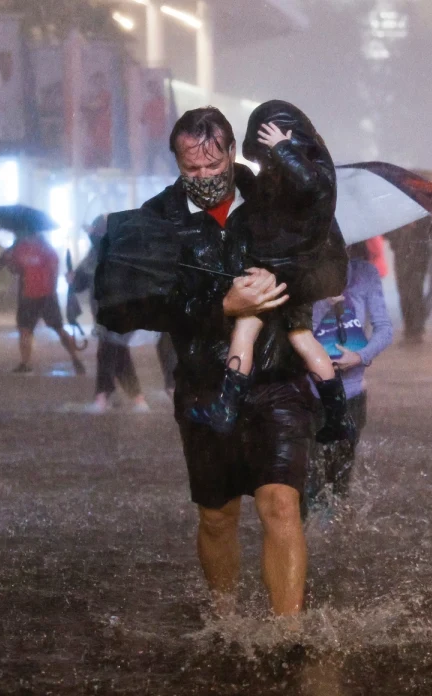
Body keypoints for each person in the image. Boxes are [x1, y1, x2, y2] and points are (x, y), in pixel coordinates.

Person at [96, 107, 349, 617]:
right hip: (205, 384)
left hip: (279, 378)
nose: (206, 178)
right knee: (217, 515)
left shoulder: (276, 194)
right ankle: (226, 619)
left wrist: (277, 287)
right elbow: (121, 308)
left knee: (281, 503)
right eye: (193, 170)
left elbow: (330, 270)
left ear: (232, 152)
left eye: (214, 167)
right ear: (176, 162)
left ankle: (287, 632)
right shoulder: (156, 222)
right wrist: (219, 305)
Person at [186, 101, 352, 440]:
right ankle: (339, 416)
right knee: (302, 338)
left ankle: (226, 409)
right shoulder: (298, 180)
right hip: (299, 271)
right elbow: (272, 200)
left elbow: (310, 184)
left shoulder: (313, 173)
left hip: (282, 271)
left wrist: (282, 147)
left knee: (246, 325)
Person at [307, 242, 393, 500]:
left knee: (340, 476)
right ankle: (307, 534)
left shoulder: (365, 273)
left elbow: (384, 329)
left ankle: (336, 531)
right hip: (309, 392)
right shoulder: (305, 276)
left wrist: (359, 357)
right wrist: (324, 303)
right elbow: (295, 334)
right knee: (310, 473)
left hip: (352, 393)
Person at [71, 215, 149, 414]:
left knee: (107, 352)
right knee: (118, 354)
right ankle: (136, 399)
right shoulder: (93, 256)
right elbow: (80, 283)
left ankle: (103, 396)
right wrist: (73, 279)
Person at [0, 231, 86, 375]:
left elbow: (14, 269)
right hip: (41, 296)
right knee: (43, 329)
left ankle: (26, 363)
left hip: (33, 296)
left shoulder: (23, 249)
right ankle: (73, 358)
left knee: (28, 330)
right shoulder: (43, 249)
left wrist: (9, 262)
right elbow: (17, 269)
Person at [386, 216, 432, 345]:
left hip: (418, 260)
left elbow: (428, 233)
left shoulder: (423, 215)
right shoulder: (395, 216)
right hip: (401, 259)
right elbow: (387, 234)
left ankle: (417, 330)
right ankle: (409, 329)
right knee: (404, 295)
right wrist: (400, 228)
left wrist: (415, 226)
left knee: (415, 294)